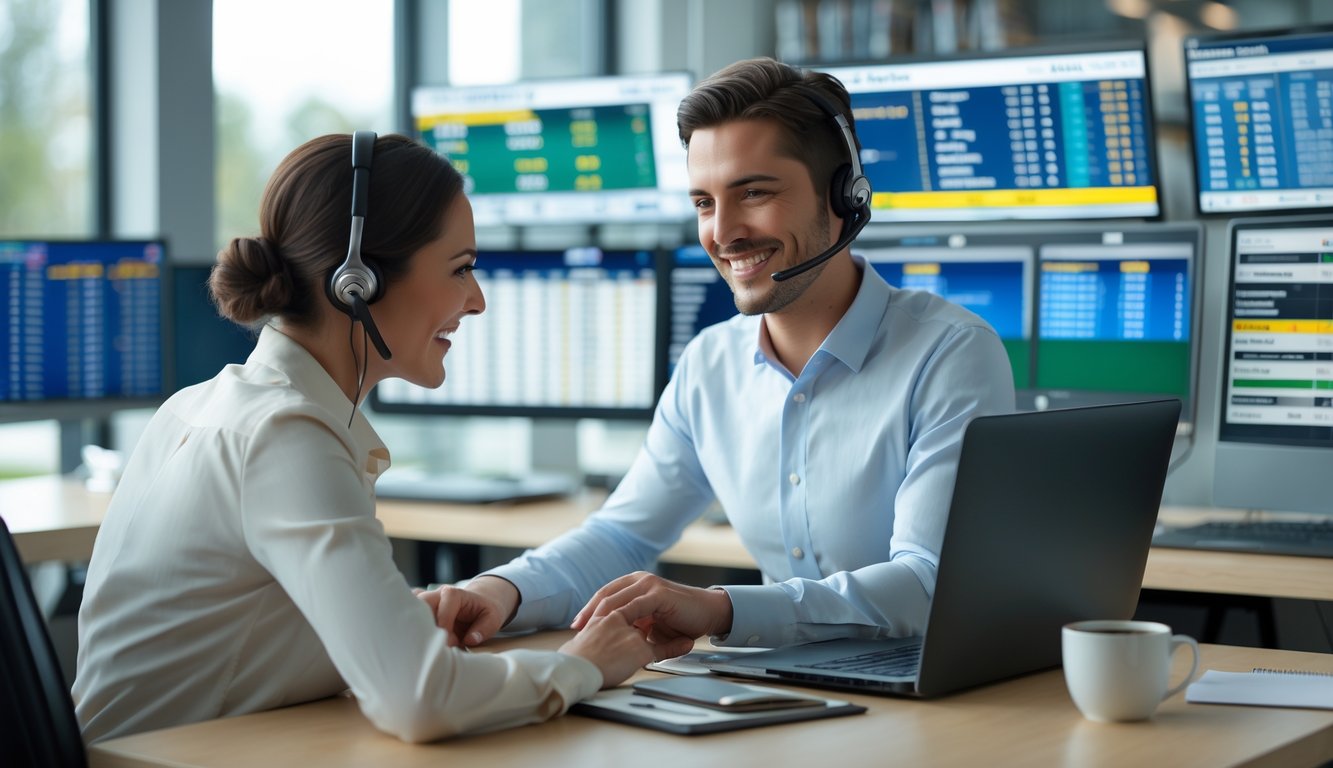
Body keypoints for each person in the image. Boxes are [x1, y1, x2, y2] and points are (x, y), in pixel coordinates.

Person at [72, 133, 653, 744]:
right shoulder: (285, 433)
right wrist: (583, 665)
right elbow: (419, 701)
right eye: (461, 269)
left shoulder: (202, 404)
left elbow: (236, 639)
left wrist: (398, 620)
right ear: (359, 281)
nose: (476, 301)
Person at [429, 58, 1015, 656]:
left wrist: (720, 609)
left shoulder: (950, 354)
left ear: (844, 195)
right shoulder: (711, 364)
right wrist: (500, 591)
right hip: (778, 686)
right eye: (704, 203)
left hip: (924, 698)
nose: (724, 232)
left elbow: (925, 581)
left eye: (754, 192)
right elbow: (622, 535)